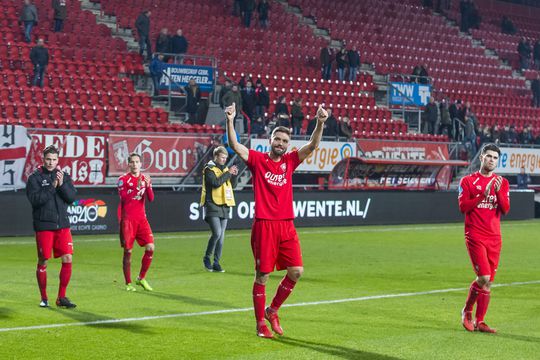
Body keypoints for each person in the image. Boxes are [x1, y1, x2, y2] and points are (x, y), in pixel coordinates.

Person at [225, 102, 328, 338]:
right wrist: (230, 120)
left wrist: (320, 123)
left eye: (284, 141)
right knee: (262, 275)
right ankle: (260, 322)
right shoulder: (258, 160)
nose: (280, 143)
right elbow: (235, 146)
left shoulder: (291, 161)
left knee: (297, 271)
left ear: (287, 144)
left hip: (286, 225)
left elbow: (312, 145)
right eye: (277, 139)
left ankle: (273, 310)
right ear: (270, 140)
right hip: (264, 224)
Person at [458, 143, 510, 334]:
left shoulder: (501, 183)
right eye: (489, 156)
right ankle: (467, 311)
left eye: (495, 158)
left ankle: (481, 322)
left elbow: (505, 209)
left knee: (488, 283)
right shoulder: (468, 181)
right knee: (483, 277)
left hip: (495, 237)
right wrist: (483, 194)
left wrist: (495, 192)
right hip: (475, 235)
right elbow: (463, 207)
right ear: (481, 157)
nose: (492, 160)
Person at [26, 145, 77, 308]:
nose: (51, 162)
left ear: (57, 160)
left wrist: (61, 184)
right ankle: (44, 297)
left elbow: (71, 198)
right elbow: (35, 200)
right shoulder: (34, 178)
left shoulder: (64, 176)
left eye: (54, 159)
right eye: (48, 159)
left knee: (68, 257)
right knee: (43, 259)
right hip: (44, 225)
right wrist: (52, 186)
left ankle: (61, 297)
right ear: (43, 159)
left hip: (62, 224)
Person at [118, 153, 155, 292]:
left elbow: (151, 198)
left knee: (151, 247)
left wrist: (149, 185)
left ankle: (141, 278)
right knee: (128, 251)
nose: (135, 164)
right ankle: (128, 283)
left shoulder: (145, 178)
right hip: (128, 220)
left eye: (137, 162)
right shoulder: (123, 180)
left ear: (141, 164)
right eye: (132, 162)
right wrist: (136, 188)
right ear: (128, 164)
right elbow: (124, 198)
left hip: (141, 219)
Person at [200, 146, 238, 273]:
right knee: (217, 233)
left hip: (224, 204)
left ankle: (216, 263)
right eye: (222, 157)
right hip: (211, 203)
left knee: (221, 237)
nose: (224, 160)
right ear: (215, 157)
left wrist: (234, 176)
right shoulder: (208, 169)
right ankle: (207, 258)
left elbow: (233, 186)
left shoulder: (225, 169)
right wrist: (228, 173)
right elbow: (216, 183)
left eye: (225, 158)